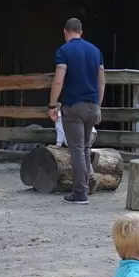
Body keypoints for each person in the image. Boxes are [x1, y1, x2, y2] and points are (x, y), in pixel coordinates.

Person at [47, 18, 105, 205]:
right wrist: (98, 105)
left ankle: (80, 193)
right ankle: (87, 183)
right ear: (81, 32)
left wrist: (52, 105)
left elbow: (58, 80)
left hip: (73, 107)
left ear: (65, 32)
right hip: (92, 106)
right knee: (86, 148)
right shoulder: (96, 51)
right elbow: (101, 82)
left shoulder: (64, 51)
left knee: (77, 149)